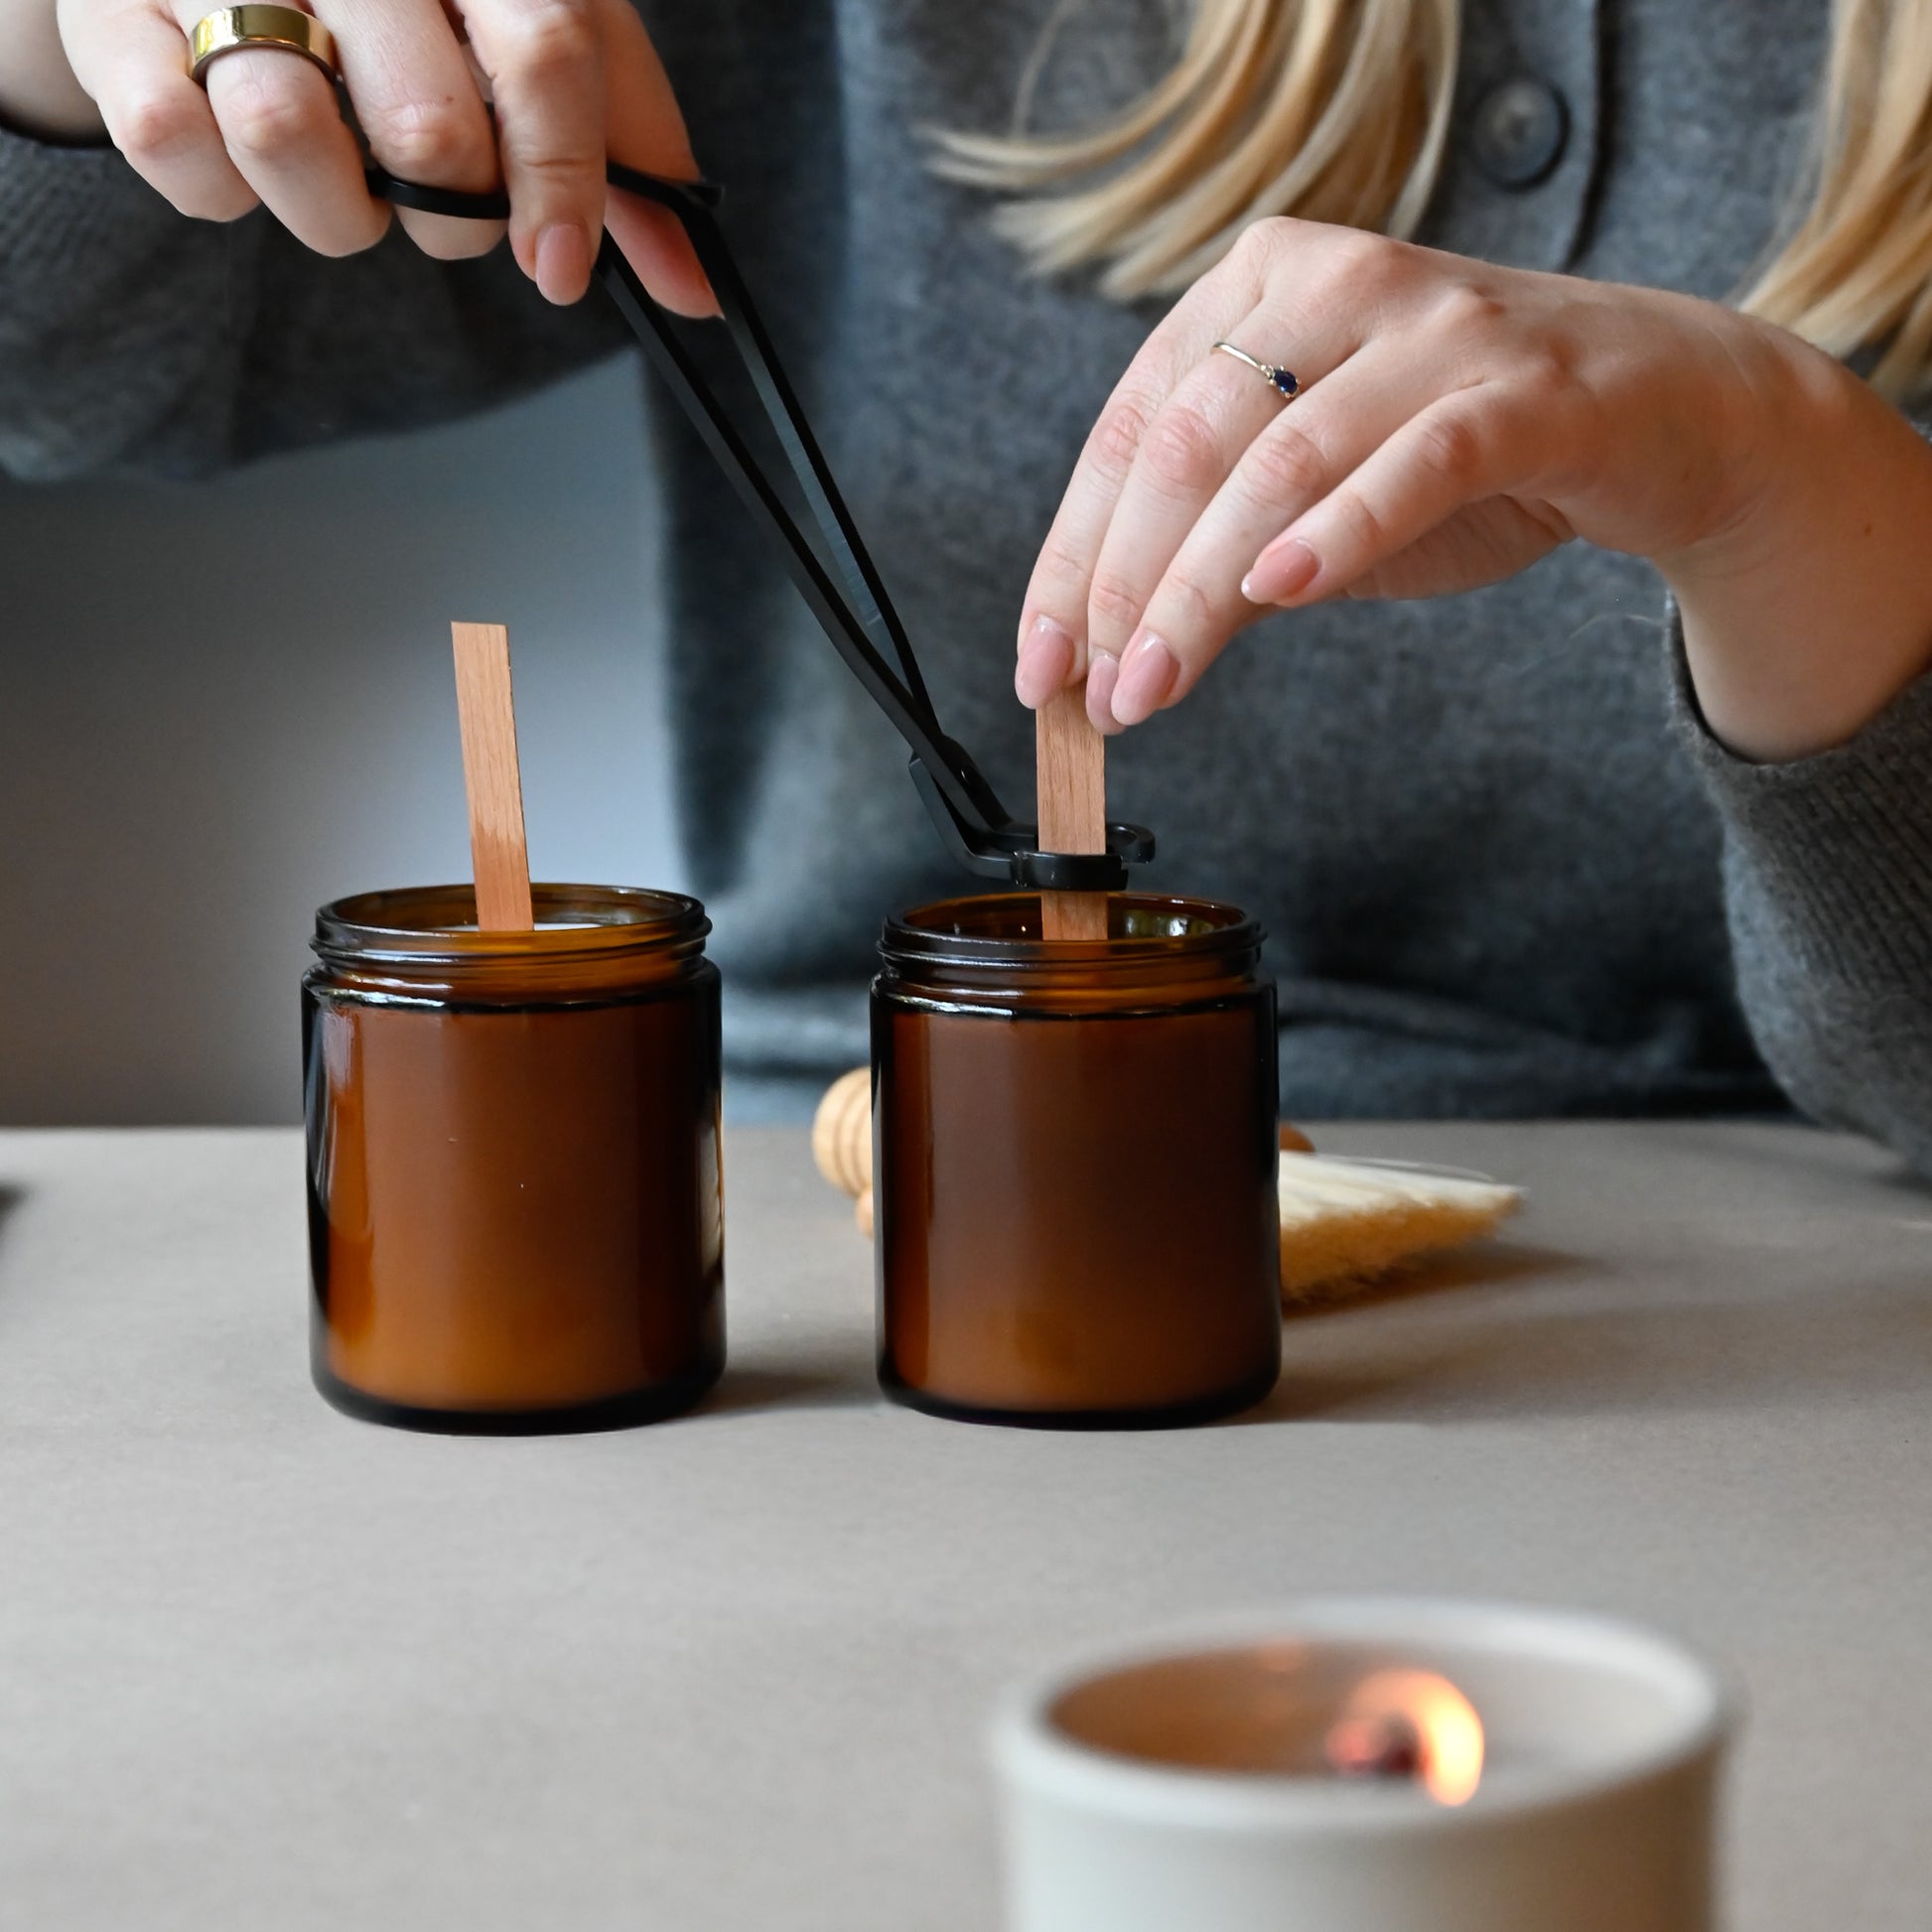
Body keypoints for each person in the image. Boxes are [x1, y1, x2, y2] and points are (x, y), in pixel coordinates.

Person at [5, 0, 1932, 1156]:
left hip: (1779, 1298)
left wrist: (1788, 484)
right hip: (826, 1232)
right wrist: (65, 51)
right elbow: (76, 376)